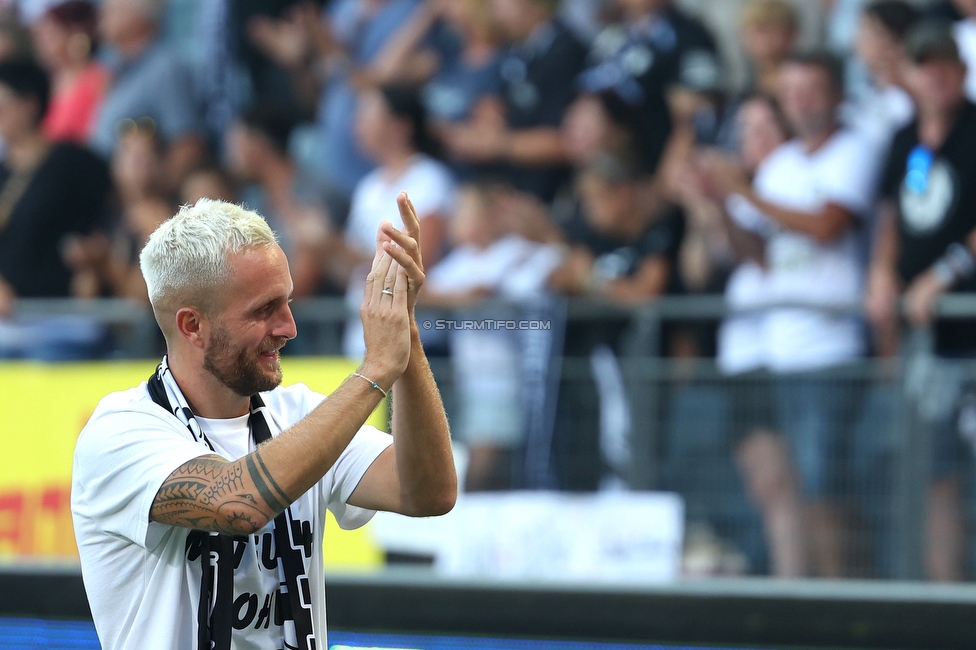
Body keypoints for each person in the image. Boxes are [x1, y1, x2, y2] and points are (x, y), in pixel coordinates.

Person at [71, 195, 457, 649]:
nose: (289, 326)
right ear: (192, 325)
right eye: (264, 309)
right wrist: (374, 373)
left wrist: (403, 332)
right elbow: (238, 504)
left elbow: (428, 492)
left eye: (288, 301)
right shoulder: (119, 431)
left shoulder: (302, 416)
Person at [701, 52, 883, 577]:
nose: (802, 100)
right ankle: (814, 605)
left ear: (837, 93)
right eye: (793, 90)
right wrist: (720, 204)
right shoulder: (781, 165)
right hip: (782, 352)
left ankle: (848, 606)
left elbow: (827, 226)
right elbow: (756, 255)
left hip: (830, 349)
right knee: (797, 490)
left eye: (813, 88)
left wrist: (744, 194)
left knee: (828, 490)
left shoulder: (854, 150)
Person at [865, 20, 976, 582]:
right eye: (924, 67)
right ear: (908, 76)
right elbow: (891, 215)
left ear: (960, 71)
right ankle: (945, 601)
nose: (935, 77)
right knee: (936, 474)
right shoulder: (904, 139)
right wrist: (881, 271)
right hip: (929, 341)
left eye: (945, 66)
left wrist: (947, 273)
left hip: (969, 327)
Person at [0, 58, 112, 359]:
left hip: (62, 321)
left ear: (28, 104)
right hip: (8, 323)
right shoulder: (3, 171)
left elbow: (105, 224)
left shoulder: (74, 163)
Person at [440, 0, 588, 203]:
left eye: (502, 3)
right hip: (508, 184)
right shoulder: (515, 48)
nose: (495, 9)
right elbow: (498, 104)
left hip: (550, 195)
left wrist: (496, 144)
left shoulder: (567, 52)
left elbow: (567, 141)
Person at [89, 0, 205, 189]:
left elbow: (188, 144)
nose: (103, 13)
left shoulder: (165, 67)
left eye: (114, 8)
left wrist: (149, 194)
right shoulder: (115, 70)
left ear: (140, 18)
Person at [845, 1, 921, 147]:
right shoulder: (866, 93)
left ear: (895, 43)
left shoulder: (909, 103)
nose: (856, 41)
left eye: (866, 32)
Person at [31, 0, 108, 143]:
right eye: (39, 37)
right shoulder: (50, 83)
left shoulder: (99, 77)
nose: (42, 44)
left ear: (74, 33)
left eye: (50, 35)